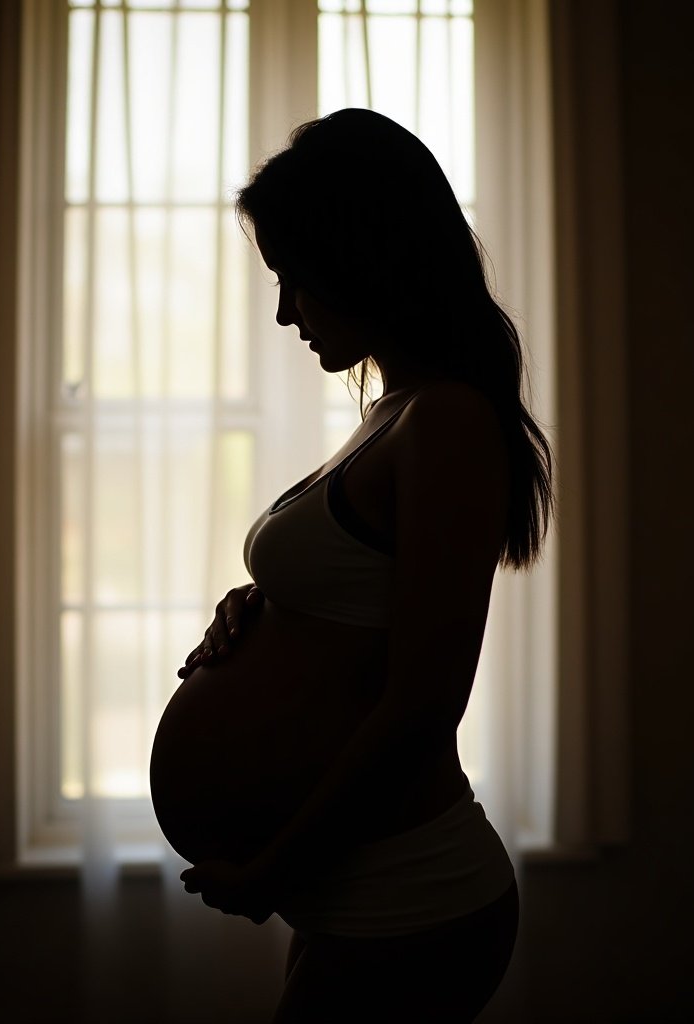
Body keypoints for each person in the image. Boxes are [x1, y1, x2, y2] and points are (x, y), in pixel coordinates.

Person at [151, 108, 552, 1023]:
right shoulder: (399, 410)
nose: (287, 311)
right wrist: (265, 609)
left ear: (362, 258)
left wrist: (271, 868)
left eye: (295, 279)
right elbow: (365, 604)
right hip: (357, 893)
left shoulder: (445, 420)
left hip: (411, 894)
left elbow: (422, 702)